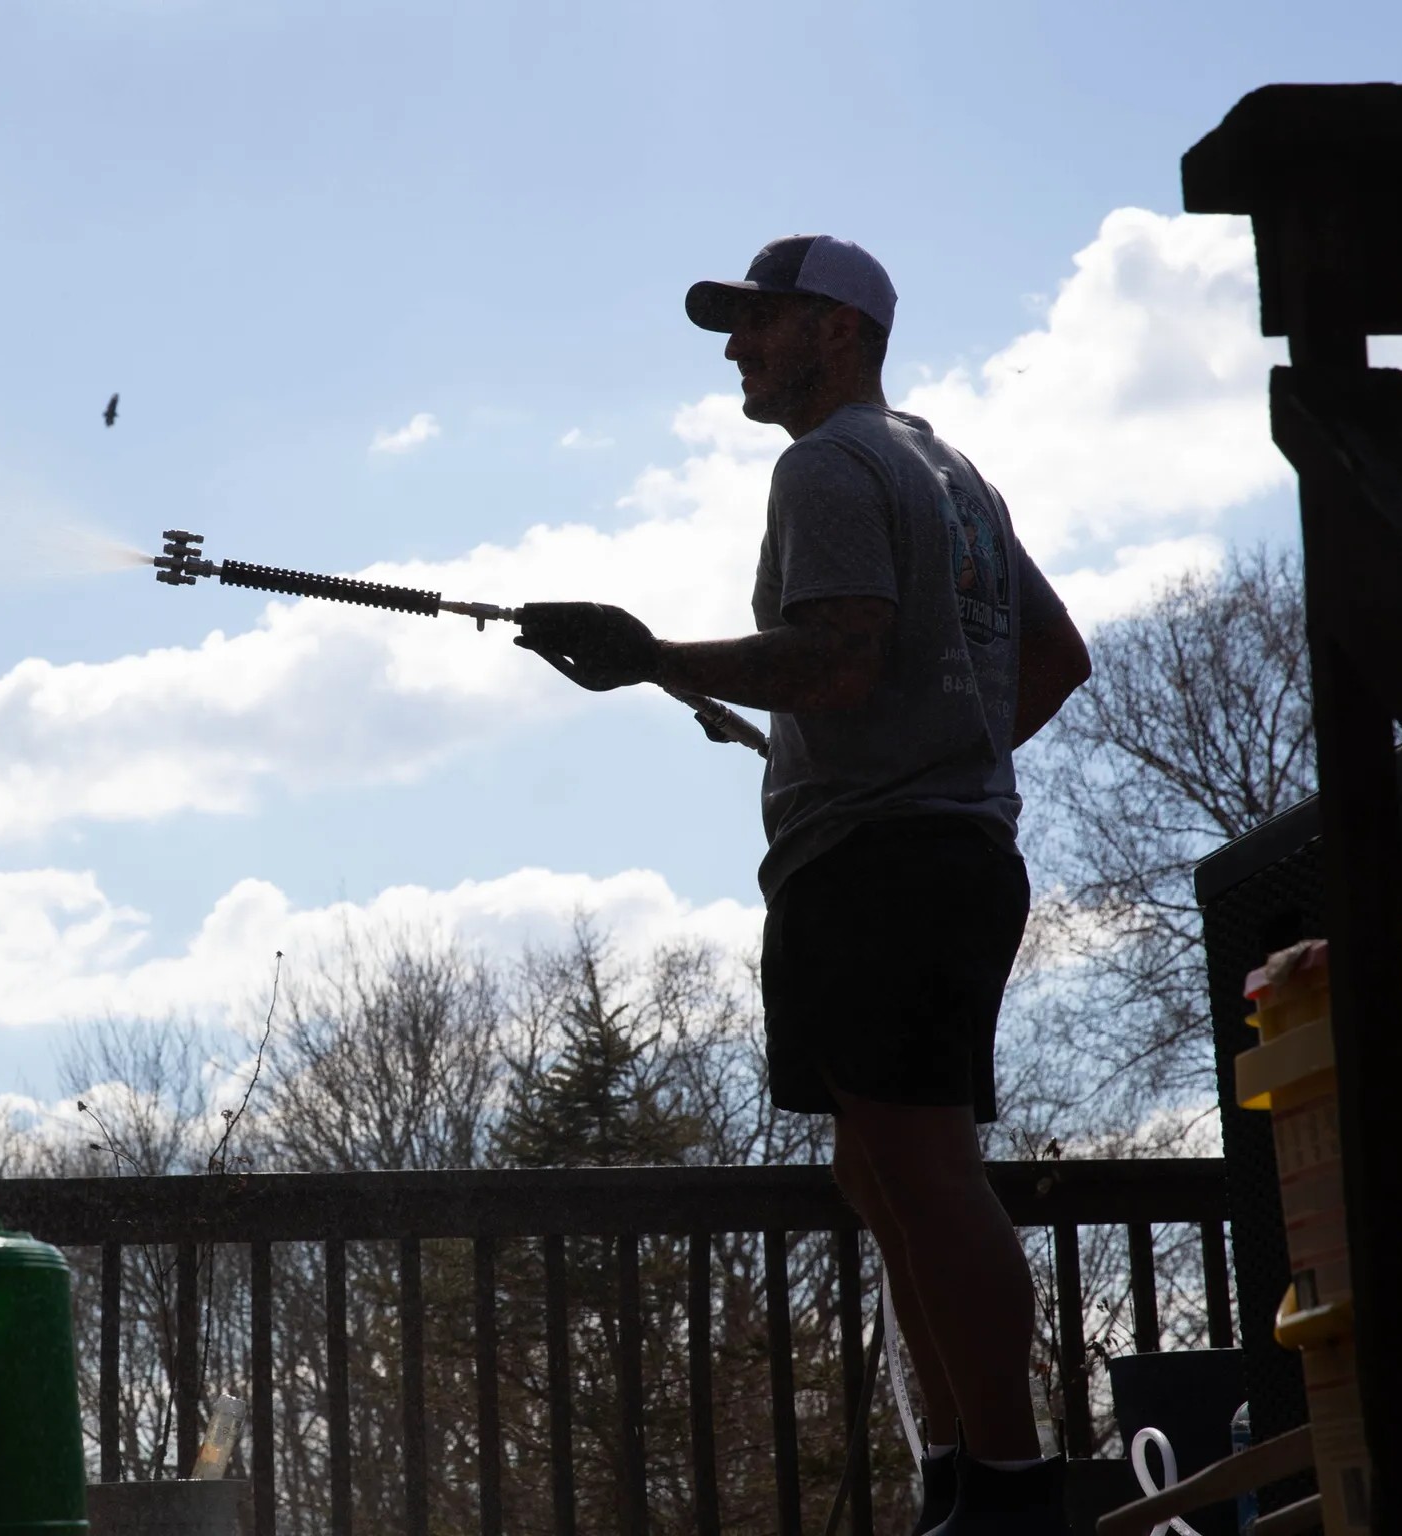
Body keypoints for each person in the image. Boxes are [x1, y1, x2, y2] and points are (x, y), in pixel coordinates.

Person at [514, 234, 1091, 1536]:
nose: (736, 348)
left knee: (923, 1167)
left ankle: (1008, 1492)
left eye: (760, 322)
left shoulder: (827, 464)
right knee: (879, 1171)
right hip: (940, 851)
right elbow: (1055, 656)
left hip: (881, 864)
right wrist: (948, 757)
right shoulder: (950, 471)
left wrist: (653, 655)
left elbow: (833, 664)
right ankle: (960, 1479)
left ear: (839, 329)